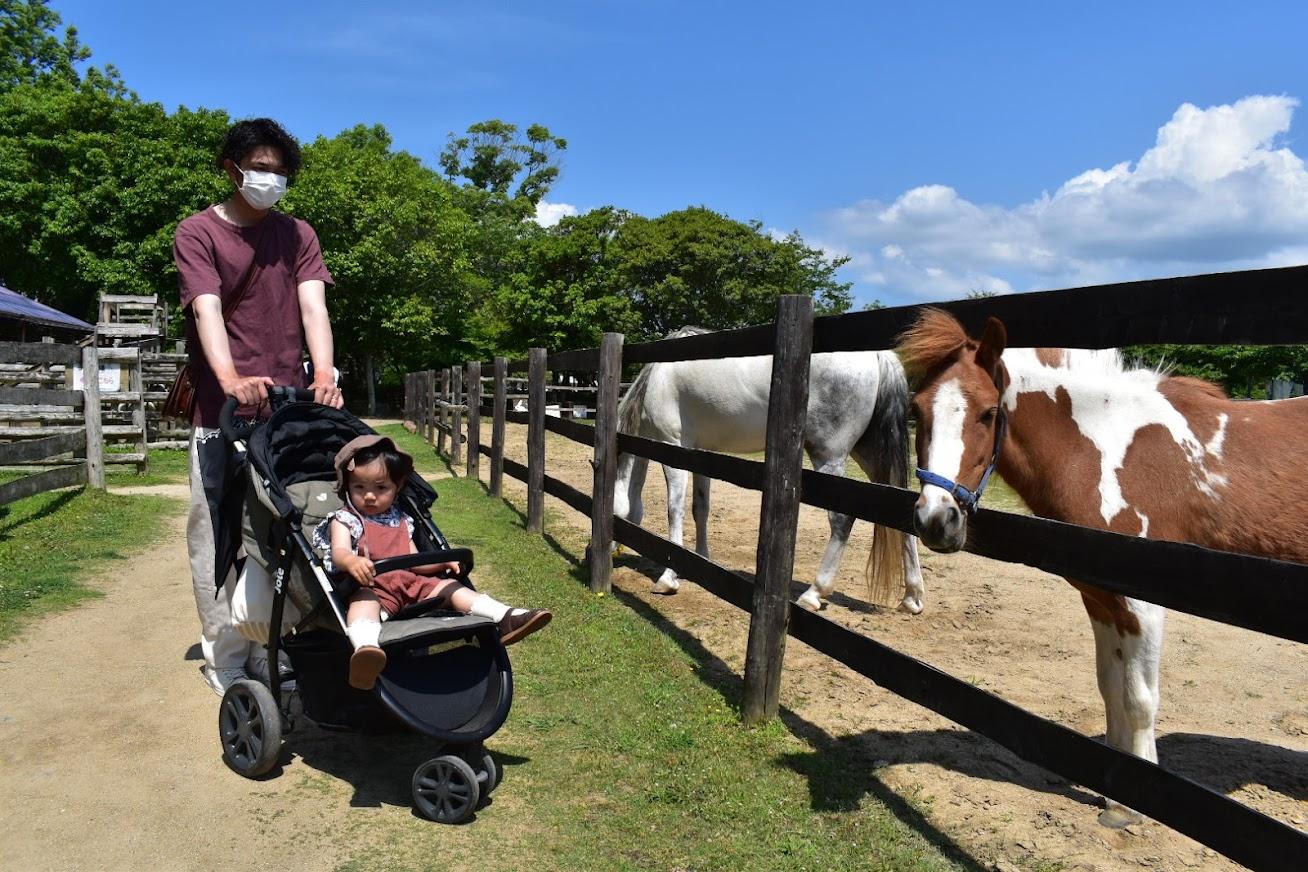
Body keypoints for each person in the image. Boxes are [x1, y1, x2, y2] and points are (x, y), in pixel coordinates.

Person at [174, 118, 344, 696]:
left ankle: (273, 642)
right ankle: (224, 657)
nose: (270, 179)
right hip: (222, 413)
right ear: (232, 168)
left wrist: (324, 372)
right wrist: (229, 378)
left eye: (280, 171)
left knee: (284, 528)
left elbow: (313, 309)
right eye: (261, 168)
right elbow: (207, 311)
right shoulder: (198, 232)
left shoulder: (298, 234)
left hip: (287, 411)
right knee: (218, 532)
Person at [317, 435, 552, 690]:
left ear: (398, 487)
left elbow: (415, 562)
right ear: (346, 486)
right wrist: (351, 561)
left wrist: (441, 565)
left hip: (410, 583)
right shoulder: (345, 519)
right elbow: (339, 551)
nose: (370, 496)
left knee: (451, 586)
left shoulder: (402, 520)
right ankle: (366, 650)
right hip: (374, 587)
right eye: (359, 488)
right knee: (362, 602)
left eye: (380, 488)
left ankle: (505, 616)